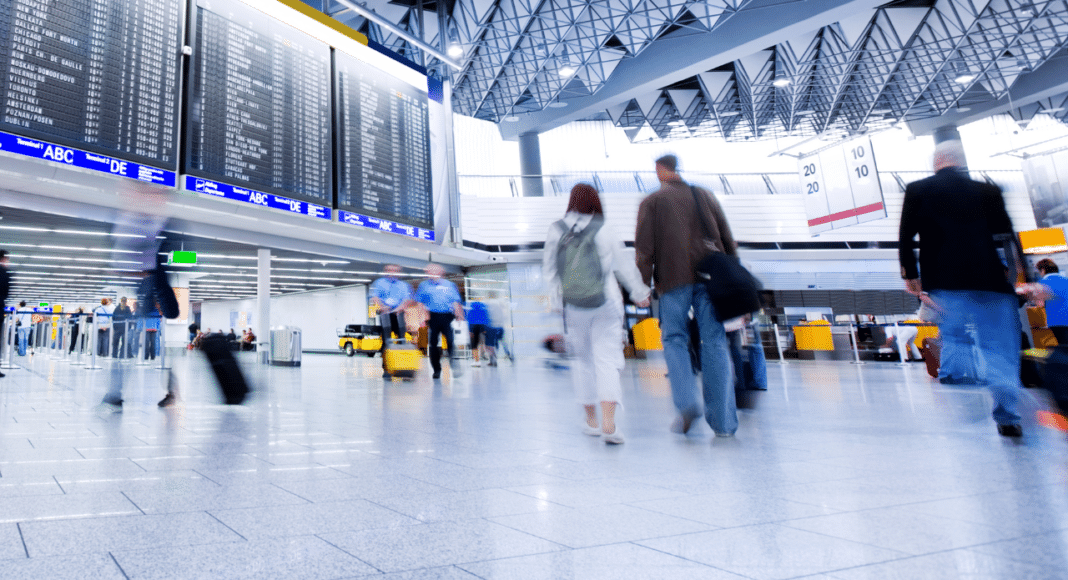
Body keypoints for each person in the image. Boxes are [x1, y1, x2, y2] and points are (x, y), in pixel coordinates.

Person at [899, 139, 1025, 437]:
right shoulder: (988, 190)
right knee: (999, 347)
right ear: (961, 161)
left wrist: (910, 273)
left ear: (936, 161)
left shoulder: (918, 189)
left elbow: (906, 234)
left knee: (954, 335)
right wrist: (1019, 273)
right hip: (989, 280)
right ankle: (1006, 410)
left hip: (945, 282)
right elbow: (1007, 235)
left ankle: (956, 378)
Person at [636, 154, 739, 438]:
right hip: (711, 278)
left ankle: (686, 402)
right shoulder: (704, 195)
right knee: (715, 341)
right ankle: (724, 424)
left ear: (660, 170)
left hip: (672, 280)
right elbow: (726, 237)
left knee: (674, 339)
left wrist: (642, 285)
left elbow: (644, 249)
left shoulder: (652, 202)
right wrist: (734, 276)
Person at [545, 183, 650, 444]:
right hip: (606, 303)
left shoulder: (556, 229)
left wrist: (557, 303)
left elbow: (550, 271)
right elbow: (624, 265)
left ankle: (591, 421)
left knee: (583, 362)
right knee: (607, 361)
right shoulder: (604, 227)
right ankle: (609, 424)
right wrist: (639, 293)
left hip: (573, 306)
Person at [415, 263, 464, 380]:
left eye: (433, 271)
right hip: (432, 317)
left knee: (450, 341)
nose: (430, 273)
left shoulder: (450, 285)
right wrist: (422, 317)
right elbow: (419, 303)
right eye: (429, 272)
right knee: (433, 344)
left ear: (440, 272)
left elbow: (455, 301)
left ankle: (454, 365)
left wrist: (459, 314)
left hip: (447, 316)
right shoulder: (424, 285)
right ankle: (437, 369)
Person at [369, 264, 414, 379]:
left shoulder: (403, 285)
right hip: (385, 314)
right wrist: (382, 306)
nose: (392, 272)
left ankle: (404, 368)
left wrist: (400, 308)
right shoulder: (379, 283)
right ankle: (386, 370)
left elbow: (407, 300)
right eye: (389, 270)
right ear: (385, 271)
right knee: (386, 341)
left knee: (402, 340)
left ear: (398, 272)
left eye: (395, 271)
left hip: (398, 314)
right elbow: (375, 297)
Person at [1035, 258, 1068, 344]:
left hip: (1057, 321)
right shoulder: (1066, 280)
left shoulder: (1042, 282)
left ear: (1042, 270)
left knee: (1063, 346)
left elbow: (1039, 304)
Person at [467, 300, 490, 367]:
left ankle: (476, 361)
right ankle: (490, 358)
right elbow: (487, 320)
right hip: (483, 328)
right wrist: (486, 330)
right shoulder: (484, 311)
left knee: (474, 345)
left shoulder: (471, 311)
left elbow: (469, 321)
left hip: (474, 329)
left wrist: (470, 331)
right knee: (484, 344)